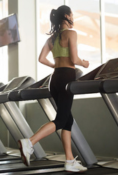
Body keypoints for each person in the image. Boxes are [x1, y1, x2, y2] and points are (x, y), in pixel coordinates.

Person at [18, 5, 89, 173]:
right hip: (66, 78)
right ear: (66, 16)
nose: (73, 17)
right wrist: (84, 63)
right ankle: (29, 142)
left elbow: (41, 59)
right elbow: (74, 58)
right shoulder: (71, 34)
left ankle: (70, 161)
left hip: (54, 79)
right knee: (60, 120)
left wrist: (55, 65)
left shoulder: (52, 38)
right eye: (71, 14)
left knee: (67, 120)